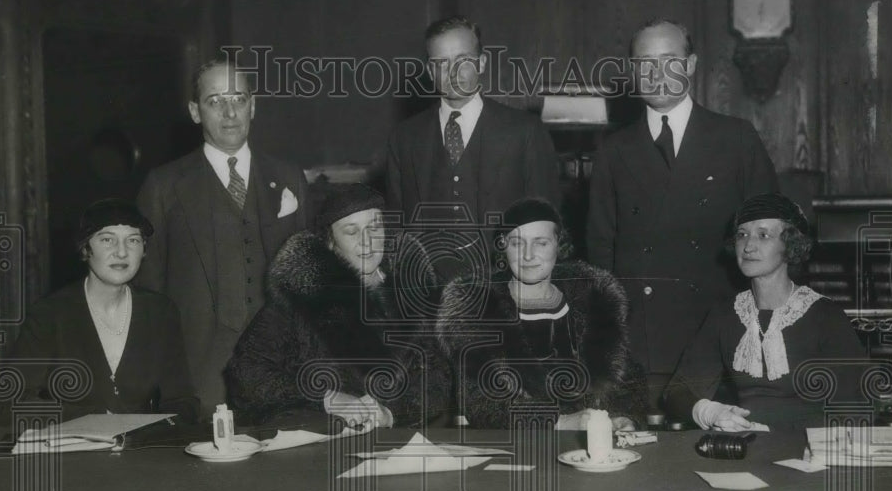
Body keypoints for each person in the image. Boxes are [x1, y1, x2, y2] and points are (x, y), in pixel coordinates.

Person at [586, 18, 778, 408]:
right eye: (644, 63)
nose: (656, 75)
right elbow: (600, 251)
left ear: (691, 65)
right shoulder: (614, 149)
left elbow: (773, 242)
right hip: (642, 339)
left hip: (719, 336)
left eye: (669, 61)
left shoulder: (735, 138)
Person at [136, 58, 309, 417]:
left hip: (280, 372)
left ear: (253, 105)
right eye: (215, 101)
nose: (230, 112)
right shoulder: (164, 186)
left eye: (239, 99)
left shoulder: (288, 177)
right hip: (199, 375)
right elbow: (148, 290)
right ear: (195, 112)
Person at [225, 184, 451, 428]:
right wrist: (326, 399)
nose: (368, 242)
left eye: (374, 227)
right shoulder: (298, 297)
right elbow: (246, 371)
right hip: (317, 442)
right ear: (331, 244)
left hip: (394, 442)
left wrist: (389, 413)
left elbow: (438, 379)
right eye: (352, 232)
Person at [437, 198, 647, 430]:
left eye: (541, 243)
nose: (528, 256)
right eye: (517, 244)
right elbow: (479, 401)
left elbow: (627, 382)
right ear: (503, 247)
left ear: (559, 244)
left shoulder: (595, 304)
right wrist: (560, 422)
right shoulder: (477, 311)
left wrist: (623, 418)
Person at [663, 193, 866, 431]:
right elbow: (677, 392)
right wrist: (711, 412)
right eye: (742, 235)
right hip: (746, 447)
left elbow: (856, 407)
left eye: (763, 235)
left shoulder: (824, 315)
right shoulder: (724, 315)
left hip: (812, 453)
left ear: (790, 244)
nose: (748, 246)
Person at [386, 15, 561, 282]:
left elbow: (548, 222)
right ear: (430, 70)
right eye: (441, 63)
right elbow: (398, 224)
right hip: (431, 293)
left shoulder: (525, 132)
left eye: (463, 60)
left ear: (481, 63)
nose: (453, 72)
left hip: (505, 287)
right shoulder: (405, 137)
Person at [0, 199, 198, 425]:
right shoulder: (50, 314)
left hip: (141, 452)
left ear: (144, 251)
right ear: (85, 248)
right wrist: (96, 419)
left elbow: (183, 400)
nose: (121, 252)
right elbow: (9, 403)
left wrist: (153, 427)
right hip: (74, 454)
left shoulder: (161, 311)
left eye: (133, 240)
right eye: (107, 240)